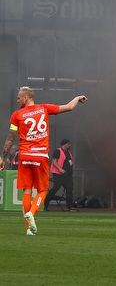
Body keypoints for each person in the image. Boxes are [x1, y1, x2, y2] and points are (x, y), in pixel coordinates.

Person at [0, 87, 87, 235]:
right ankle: (32, 213)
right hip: (40, 156)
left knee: (27, 190)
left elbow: (10, 138)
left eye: (19, 98)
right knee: (42, 190)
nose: (17, 100)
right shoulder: (44, 108)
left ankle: (29, 228)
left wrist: (2, 157)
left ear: (26, 98)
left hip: (25, 156)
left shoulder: (16, 115)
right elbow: (69, 107)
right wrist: (78, 98)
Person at [44, 139, 75, 212]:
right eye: (68, 144)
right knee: (55, 189)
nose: (69, 145)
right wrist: (60, 169)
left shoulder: (68, 152)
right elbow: (54, 161)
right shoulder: (58, 151)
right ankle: (45, 203)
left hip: (68, 175)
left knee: (69, 190)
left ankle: (70, 206)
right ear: (64, 144)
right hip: (59, 175)